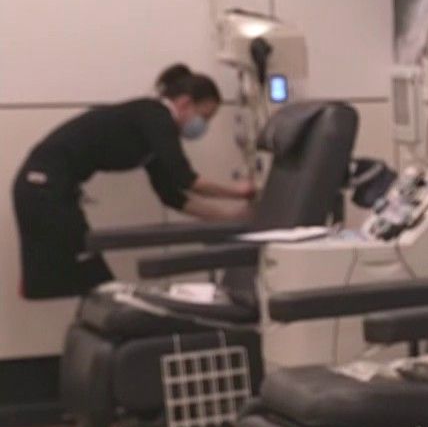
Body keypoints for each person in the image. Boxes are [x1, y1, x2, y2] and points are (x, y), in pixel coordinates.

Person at [12, 65, 255, 299]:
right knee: (93, 281)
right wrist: (240, 192)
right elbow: (186, 178)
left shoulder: (151, 125)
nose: (203, 126)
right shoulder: (156, 116)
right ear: (185, 103)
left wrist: (229, 218)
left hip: (47, 189)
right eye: (204, 117)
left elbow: (171, 195)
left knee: (94, 282)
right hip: (42, 188)